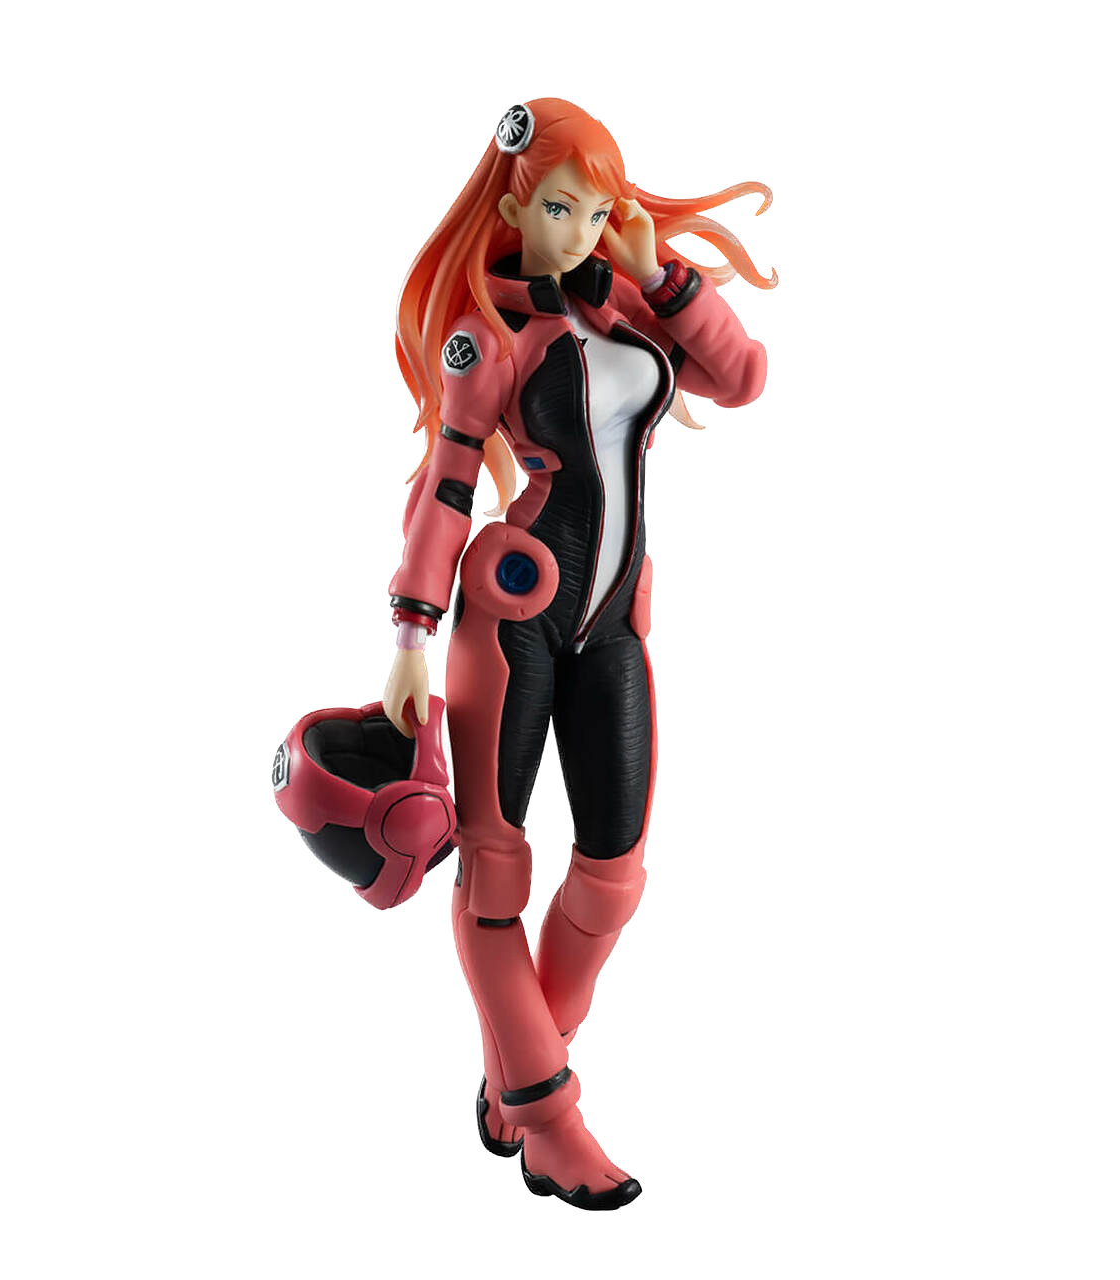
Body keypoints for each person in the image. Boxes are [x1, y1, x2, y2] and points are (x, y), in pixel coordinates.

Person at [383, 98, 774, 1210]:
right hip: (512, 620)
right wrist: (410, 639)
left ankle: (517, 1074)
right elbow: (447, 486)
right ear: (514, 208)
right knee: (494, 873)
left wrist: (659, 274)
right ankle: (552, 1120)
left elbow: (741, 377)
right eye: (561, 207)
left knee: (615, 871)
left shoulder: (631, 310)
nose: (581, 229)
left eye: (596, 209)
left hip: (615, 623)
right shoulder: (489, 335)